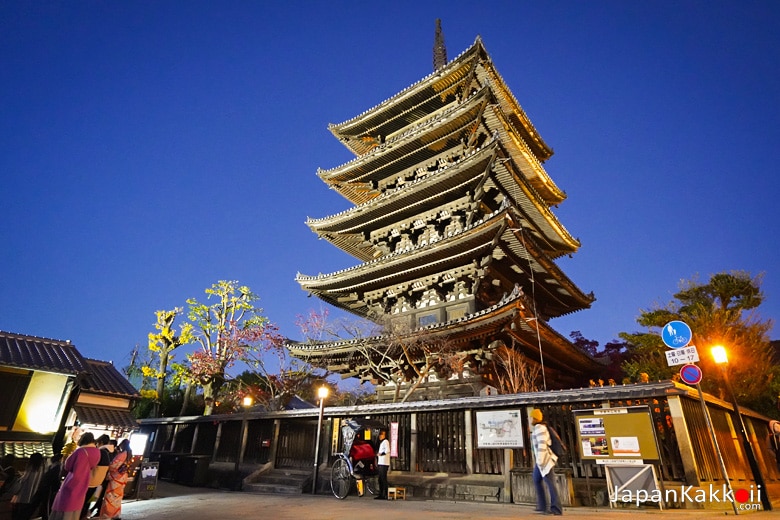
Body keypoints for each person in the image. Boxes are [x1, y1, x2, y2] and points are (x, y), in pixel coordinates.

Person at [50, 432, 101, 520]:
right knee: (76, 507)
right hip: (85, 481)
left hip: (72, 481)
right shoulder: (97, 452)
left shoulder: (80, 451)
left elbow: (67, 465)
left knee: (64, 506)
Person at [530, 409, 562, 516]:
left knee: (551, 483)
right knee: (536, 479)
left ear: (535, 418)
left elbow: (542, 444)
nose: (530, 419)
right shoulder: (538, 428)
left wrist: (540, 460)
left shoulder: (540, 428)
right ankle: (542, 505)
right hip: (541, 461)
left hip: (545, 461)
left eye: (531, 417)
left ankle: (556, 508)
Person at [98, 439, 132, 519]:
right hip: (123, 478)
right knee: (117, 497)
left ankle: (108, 514)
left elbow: (113, 465)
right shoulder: (129, 454)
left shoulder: (122, 454)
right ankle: (116, 514)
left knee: (111, 496)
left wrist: (109, 466)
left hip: (116, 478)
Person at [81, 435, 111, 519]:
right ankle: (85, 515)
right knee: (88, 500)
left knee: (83, 501)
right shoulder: (110, 452)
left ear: (100, 442)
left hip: (89, 480)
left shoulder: (99, 452)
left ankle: (81, 516)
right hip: (99, 481)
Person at [10, 452, 45, 520]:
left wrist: (20, 476)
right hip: (34, 495)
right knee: (26, 514)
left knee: (19, 514)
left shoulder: (31, 466)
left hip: (25, 494)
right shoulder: (42, 467)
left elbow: (24, 479)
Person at [89, 439, 116, 518]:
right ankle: (97, 509)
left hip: (97, 477)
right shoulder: (115, 452)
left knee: (93, 494)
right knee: (102, 494)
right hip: (108, 476)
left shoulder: (101, 451)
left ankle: (92, 510)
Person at [375, 430, 390, 500]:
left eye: (381, 435)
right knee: (380, 479)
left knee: (383, 479)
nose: (380, 436)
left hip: (384, 462)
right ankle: (381, 493)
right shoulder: (381, 443)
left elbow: (387, 451)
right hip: (380, 462)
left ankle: (385, 494)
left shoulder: (386, 441)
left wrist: (381, 454)